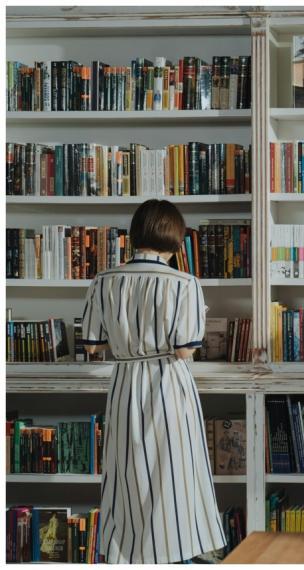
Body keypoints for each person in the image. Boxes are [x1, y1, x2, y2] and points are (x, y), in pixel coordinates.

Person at [81, 199, 227, 563]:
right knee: (173, 475)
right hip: (166, 383)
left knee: (125, 475)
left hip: (125, 383)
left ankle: (128, 554)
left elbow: (93, 344)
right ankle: (175, 553)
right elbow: (184, 350)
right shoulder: (185, 283)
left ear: (136, 234)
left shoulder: (104, 281)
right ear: (176, 238)